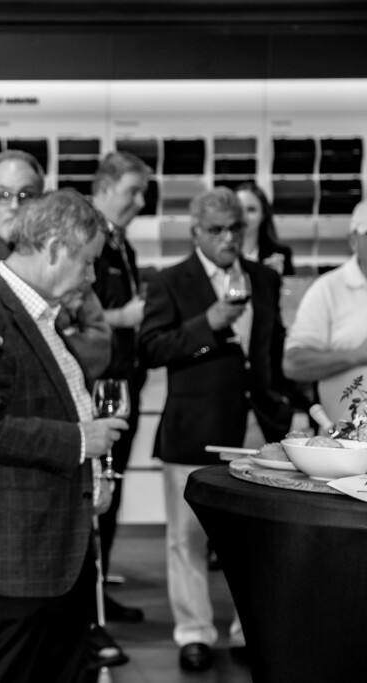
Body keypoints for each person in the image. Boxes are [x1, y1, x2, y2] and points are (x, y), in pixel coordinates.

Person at [0, 188, 127, 683]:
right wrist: (80, 442)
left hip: (56, 550)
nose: (92, 277)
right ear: (53, 248)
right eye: (88, 262)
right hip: (19, 556)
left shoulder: (37, 311)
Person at [139, 187, 293, 672]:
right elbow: (151, 349)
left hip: (260, 425)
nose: (228, 238)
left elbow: (272, 350)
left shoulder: (264, 278)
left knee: (257, 536)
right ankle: (193, 632)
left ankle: (249, 630)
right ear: (196, 232)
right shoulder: (170, 281)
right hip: (195, 426)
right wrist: (207, 324)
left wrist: (288, 406)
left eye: (235, 228)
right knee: (188, 537)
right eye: (217, 230)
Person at [0, 149, 111, 379]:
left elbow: (100, 347)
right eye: (2, 195)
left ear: (40, 204)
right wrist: (64, 333)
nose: (14, 205)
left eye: (26, 195)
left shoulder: (68, 258)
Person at [89, 150, 150, 623]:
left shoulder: (122, 244)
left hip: (124, 385)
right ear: (105, 187)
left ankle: (98, 592)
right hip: (95, 389)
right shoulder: (86, 238)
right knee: (95, 491)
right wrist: (123, 317)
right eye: (133, 191)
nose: (141, 201)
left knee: (112, 488)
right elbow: (68, 316)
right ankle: (87, 607)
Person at [283, 200, 367, 425]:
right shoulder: (327, 290)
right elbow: (293, 364)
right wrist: (356, 355)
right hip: (345, 440)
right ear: (353, 240)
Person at [235, 181, 295, 277]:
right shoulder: (220, 253)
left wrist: (277, 279)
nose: (243, 216)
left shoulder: (280, 255)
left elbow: (290, 285)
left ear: (263, 214)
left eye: (251, 209)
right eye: (239, 209)